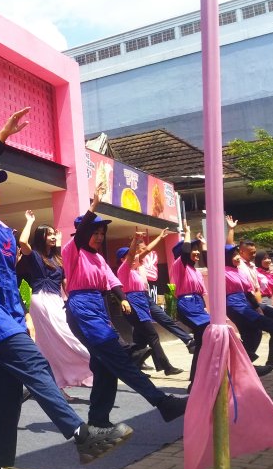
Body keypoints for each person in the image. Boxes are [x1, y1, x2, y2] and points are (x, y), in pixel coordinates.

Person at [0, 108, 133, 469]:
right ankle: (81, 434)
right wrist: (0, 136)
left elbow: (8, 278)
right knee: (34, 362)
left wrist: (22, 315)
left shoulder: (0, 227)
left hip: (3, 310)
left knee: (7, 387)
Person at [62, 180, 187, 434]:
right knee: (119, 360)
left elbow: (112, 281)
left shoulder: (97, 258)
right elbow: (85, 227)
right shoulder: (71, 251)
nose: (99, 237)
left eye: (101, 233)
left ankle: (98, 418)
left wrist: (124, 298)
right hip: (81, 308)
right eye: (94, 232)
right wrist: (94, 205)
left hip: (97, 307)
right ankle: (162, 402)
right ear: (83, 234)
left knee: (104, 365)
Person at [16, 212, 93, 397]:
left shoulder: (57, 259)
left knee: (51, 345)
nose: (52, 236)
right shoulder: (34, 256)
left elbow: (64, 280)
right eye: (48, 234)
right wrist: (30, 221)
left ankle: (57, 386)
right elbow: (22, 242)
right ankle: (96, 364)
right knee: (68, 337)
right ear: (41, 237)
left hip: (58, 300)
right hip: (41, 300)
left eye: (54, 234)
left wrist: (72, 299)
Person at [116, 229, 183, 377]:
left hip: (142, 303)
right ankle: (166, 366)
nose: (135, 258)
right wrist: (134, 240)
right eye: (130, 256)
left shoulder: (135, 270)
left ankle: (133, 368)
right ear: (123, 259)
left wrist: (159, 237)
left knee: (141, 341)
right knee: (152, 335)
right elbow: (135, 254)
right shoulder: (124, 269)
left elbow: (146, 250)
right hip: (134, 305)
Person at [139, 232, 195, 354]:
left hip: (146, 297)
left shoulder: (142, 265)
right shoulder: (132, 263)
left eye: (144, 248)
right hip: (135, 299)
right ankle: (136, 356)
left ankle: (188, 340)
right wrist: (159, 237)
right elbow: (149, 249)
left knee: (164, 319)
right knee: (143, 331)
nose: (146, 251)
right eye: (142, 249)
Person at [169, 225, 210, 386]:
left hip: (197, 304)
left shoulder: (195, 270)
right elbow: (185, 251)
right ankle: (248, 363)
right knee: (215, 329)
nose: (197, 252)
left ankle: (195, 383)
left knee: (201, 344)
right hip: (186, 303)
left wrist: (204, 244)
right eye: (194, 249)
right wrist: (186, 232)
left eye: (197, 249)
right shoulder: (180, 264)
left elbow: (200, 293)